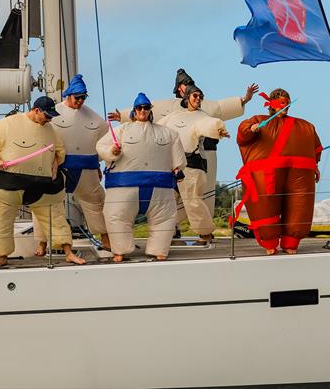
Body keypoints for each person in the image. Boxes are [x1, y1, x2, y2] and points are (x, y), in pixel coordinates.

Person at [115, 69, 258, 227]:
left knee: (202, 194)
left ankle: (204, 228)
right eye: (185, 85)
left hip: (203, 154)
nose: (190, 89)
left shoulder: (206, 107)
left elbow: (222, 108)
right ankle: (170, 226)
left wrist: (244, 99)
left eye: (191, 85)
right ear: (178, 88)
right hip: (174, 157)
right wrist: (122, 116)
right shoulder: (169, 108)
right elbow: (144, 109)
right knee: (171, 194)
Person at [0, 96, 85, 269]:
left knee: (56, 217)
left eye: (51, 117)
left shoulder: (50, 129)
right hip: (8, 183)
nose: (49, 120)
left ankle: (68, 252)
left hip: (42, 186)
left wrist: (56, 163)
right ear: (36, 110)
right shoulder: (8, 123)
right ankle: (2, 257)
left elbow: (60, 150)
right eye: (47, 116)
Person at [96, 93, 186, 262]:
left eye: (146, 108)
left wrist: (178, 169)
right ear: (134, 110)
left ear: (150, 110)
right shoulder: (121, 131)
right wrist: (111, 152)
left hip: (160, 188)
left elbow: (178, 159)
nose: (142, 111)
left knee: (165, 219)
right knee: (116, 216)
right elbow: (100, 146)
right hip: (124, 187)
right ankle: (120, 250)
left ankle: (159, 250)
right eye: (139, 108)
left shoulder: (169, 134)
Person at [32, 74, 111, 256]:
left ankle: (106, 239)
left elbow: (105, 141)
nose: (81, 101)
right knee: (44, 202)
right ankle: (42, 243)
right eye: (77, 97)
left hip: (86, 167)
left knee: (96, 203)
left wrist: (99, 165)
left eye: (83, 97)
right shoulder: (54, 113)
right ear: (69, 95)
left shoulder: (96, 119)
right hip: (57, 167)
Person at [236, 89, 322, 255]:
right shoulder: (260, 121)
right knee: (266, 205)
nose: (285, 106)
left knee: (299, 204)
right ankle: (270, 241)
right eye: (282, 102)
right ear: (271, 104)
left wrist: (314, 166)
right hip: (268, 173)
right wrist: (252, 128)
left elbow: (316, 149)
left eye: (287, 103)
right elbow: (242, 134)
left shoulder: (306, 126)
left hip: (299, 172)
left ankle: (291, 242)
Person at [158, 85, 229, 244]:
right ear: (187, 97)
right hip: (174, 167)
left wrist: (219, 130)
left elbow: (209, 125)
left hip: (193, 166)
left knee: (193, 201)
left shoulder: (202, 117)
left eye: (200, 96)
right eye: (195, 96)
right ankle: (164, 232)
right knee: (168, 201)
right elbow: (156, 128)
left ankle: (205, 234)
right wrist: (130, 119)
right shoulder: (174, 116)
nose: (198, 99)